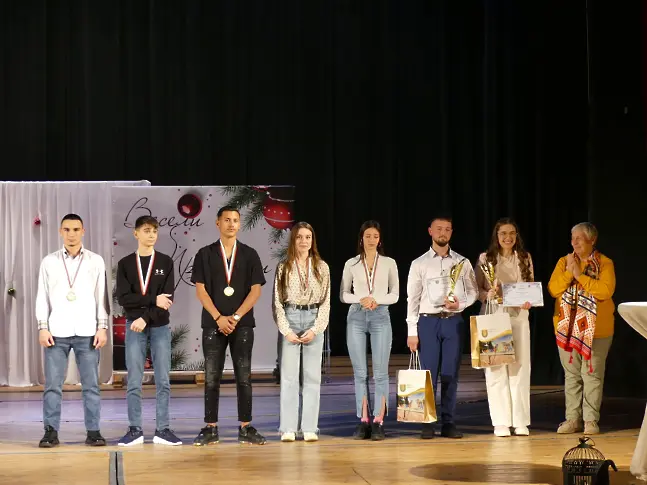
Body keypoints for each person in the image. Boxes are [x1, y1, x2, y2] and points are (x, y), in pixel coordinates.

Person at [191, 206, 267, 445]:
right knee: (211, 377)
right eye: (227, 220)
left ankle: (246, 427)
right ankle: (210, 428)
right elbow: (201, 291)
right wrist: (218, 318)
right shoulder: (204, 254)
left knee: (244, 377)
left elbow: (256, 291)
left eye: (235, 220)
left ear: (240, 224)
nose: (231, 224)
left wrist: (235, 317)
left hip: (241, 325)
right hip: (213, 324)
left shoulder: (250, 254)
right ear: (218, 223)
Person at [35, 213, 109, 448]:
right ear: (60, 232)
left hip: (88, 331)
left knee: (91, 385)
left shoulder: (96, 261)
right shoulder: (49, 262)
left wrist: (102, 327)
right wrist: (42, 327)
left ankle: (94, 431)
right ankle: (50, 431)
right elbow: (42, 296)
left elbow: (102, 296)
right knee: (53, 386)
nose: (71, 234)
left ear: (83, 231)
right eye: (67, 229)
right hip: (57, 331)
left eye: (76, 229)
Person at [406, 214, 478, 439]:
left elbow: (474, 291)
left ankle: (448, 422)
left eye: (447, 229)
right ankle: (427, 422)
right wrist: (412, 331)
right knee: (428, 374)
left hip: (453, 321)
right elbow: (412, 299)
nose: (443, 233)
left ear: (451, 232)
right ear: (430, 231)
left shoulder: (462, 262)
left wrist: (460, 304)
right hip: (428, 321)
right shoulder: (419, 263)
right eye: (438, 228)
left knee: (450, 373)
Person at [115, 215, 180, 446]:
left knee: (163, 380)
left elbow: (167, 300)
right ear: (136, 234)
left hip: (159, 325)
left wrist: (144, 316)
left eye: (154, 231)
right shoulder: (125, 264)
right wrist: (152, 300)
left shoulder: (165, 261)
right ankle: (135, 429)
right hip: (134, 326)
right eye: (146, 230)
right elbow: (124, 298)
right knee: (134, 380)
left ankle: (163, 429)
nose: (151, 235)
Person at [548, 222, 615, 435]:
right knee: (572, 376)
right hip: (566, 328)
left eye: (579, 238)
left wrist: (580, 275)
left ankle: (590, 421)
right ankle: (572, 419)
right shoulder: (564, 262)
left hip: (597, 331)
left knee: (592, 375)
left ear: (592, 240)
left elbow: (605, 291)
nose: (574, 242)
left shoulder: (605, 263)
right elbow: (553, 289)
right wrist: (570, 273)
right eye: (572, 238)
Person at [475, 218, 534, 437]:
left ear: (516, 236)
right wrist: (487, 294)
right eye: (503, 234)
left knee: (520, 367)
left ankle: (520, 421)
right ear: (496, 236)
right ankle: (500, 421)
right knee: (496, 368)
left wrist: (528, 300)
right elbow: (476, 290)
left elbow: (530, 287)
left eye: (511, 233)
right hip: (494, 316)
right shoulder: (485, 258)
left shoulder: (525, 258)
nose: (507, 238)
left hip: (519, 317)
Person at [340, 220, 399, 440]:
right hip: (356, 315)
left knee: (380, 373)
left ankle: (378, 421)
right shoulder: (352, 263)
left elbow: (395, 294)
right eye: (367, 236)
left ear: (380, 239)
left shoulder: (389, 263)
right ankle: (363, 420)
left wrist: (376, 299)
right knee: (360, 372)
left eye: (375, 236)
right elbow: (344, 294)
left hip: (380, 315)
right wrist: (361, 299)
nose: (371, 240)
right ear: (361, 239)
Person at [273, 222, 331, 442]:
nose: (304, 241)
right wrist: (286, 330)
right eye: (299, 237)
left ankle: (309, 427)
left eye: (308, 237)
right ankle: (288, 427)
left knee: (312, 376)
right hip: (291, 317)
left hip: (313, 318)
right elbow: (277, 301)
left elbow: (326, 302)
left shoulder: (322, 267)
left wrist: (316, 329)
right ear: (293, 240)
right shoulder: (284, 266)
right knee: (289, 377)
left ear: (312, 240)